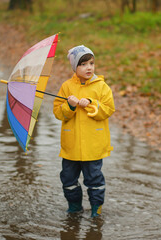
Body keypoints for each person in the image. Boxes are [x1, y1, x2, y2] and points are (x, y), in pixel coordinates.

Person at [53, 45, 115, 217]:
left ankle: (96, 209)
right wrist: (69, 106)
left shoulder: (101, 87)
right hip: (71, 146)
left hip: (93, 146)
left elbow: (108, 109)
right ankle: (74, 206)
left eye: (91, 63)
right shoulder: (66, 87)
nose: (89, 67)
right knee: (68, 178)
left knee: (94, 179)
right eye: (83, 64)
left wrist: (91, 103)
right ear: (75, 67)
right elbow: (58, 113)